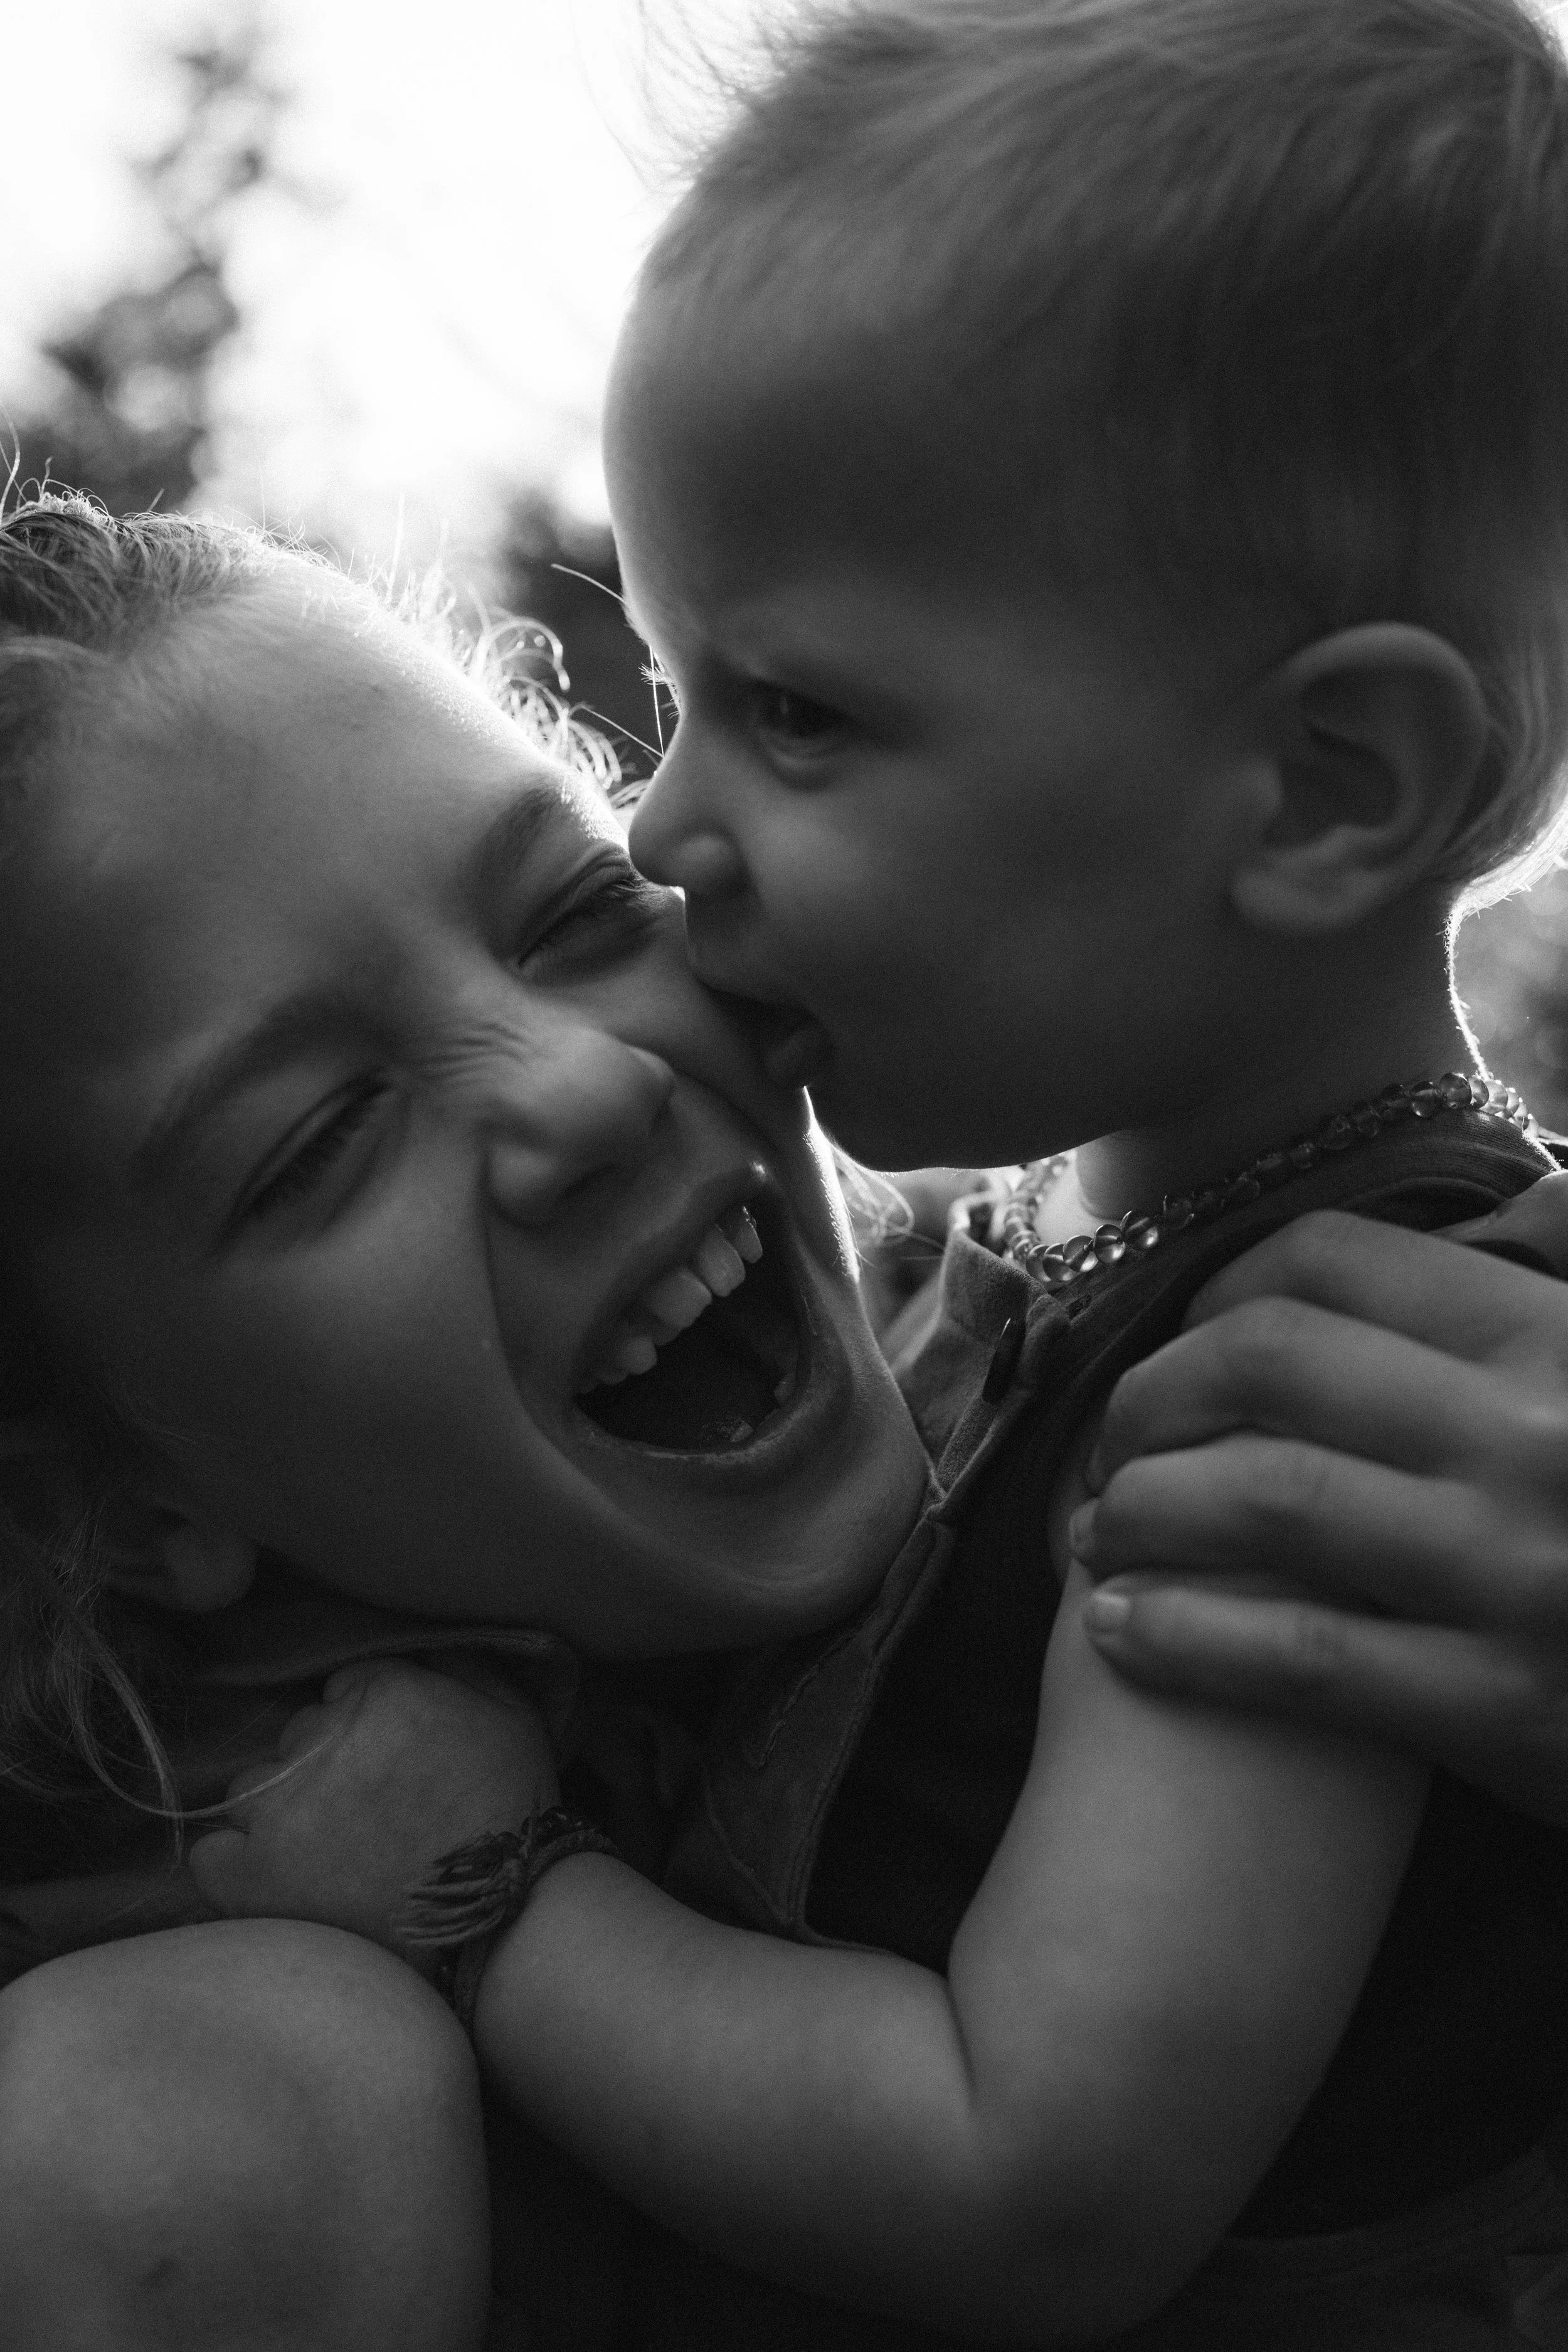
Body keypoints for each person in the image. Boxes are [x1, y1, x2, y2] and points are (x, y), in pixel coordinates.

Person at [198, 1, 1568, 2345]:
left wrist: (489, 1890)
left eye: (796, 711)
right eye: (670, 696)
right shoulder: (1057, 1258)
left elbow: (1019, 2179)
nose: (660, 824)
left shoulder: (1323, 1402)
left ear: (1329, 783)